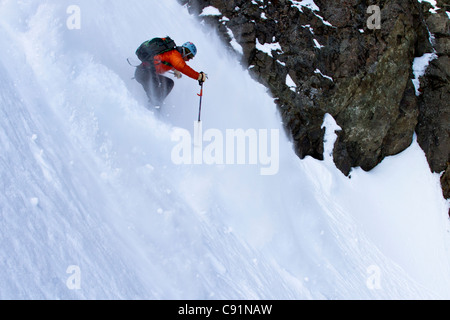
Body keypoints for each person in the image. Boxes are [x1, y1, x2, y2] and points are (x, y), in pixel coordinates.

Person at [134, 40, 207, 108]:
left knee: (169, 83)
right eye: (189, 56)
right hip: (144, 74)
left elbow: (165, 61)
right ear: (185, 52)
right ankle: (151, 111)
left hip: (145, 73)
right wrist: (198, 76)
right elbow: (182, 67)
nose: (188, 59)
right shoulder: (174, 55)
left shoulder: (171, 53)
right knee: (156, 98)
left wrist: (175, 70)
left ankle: (155, 106)